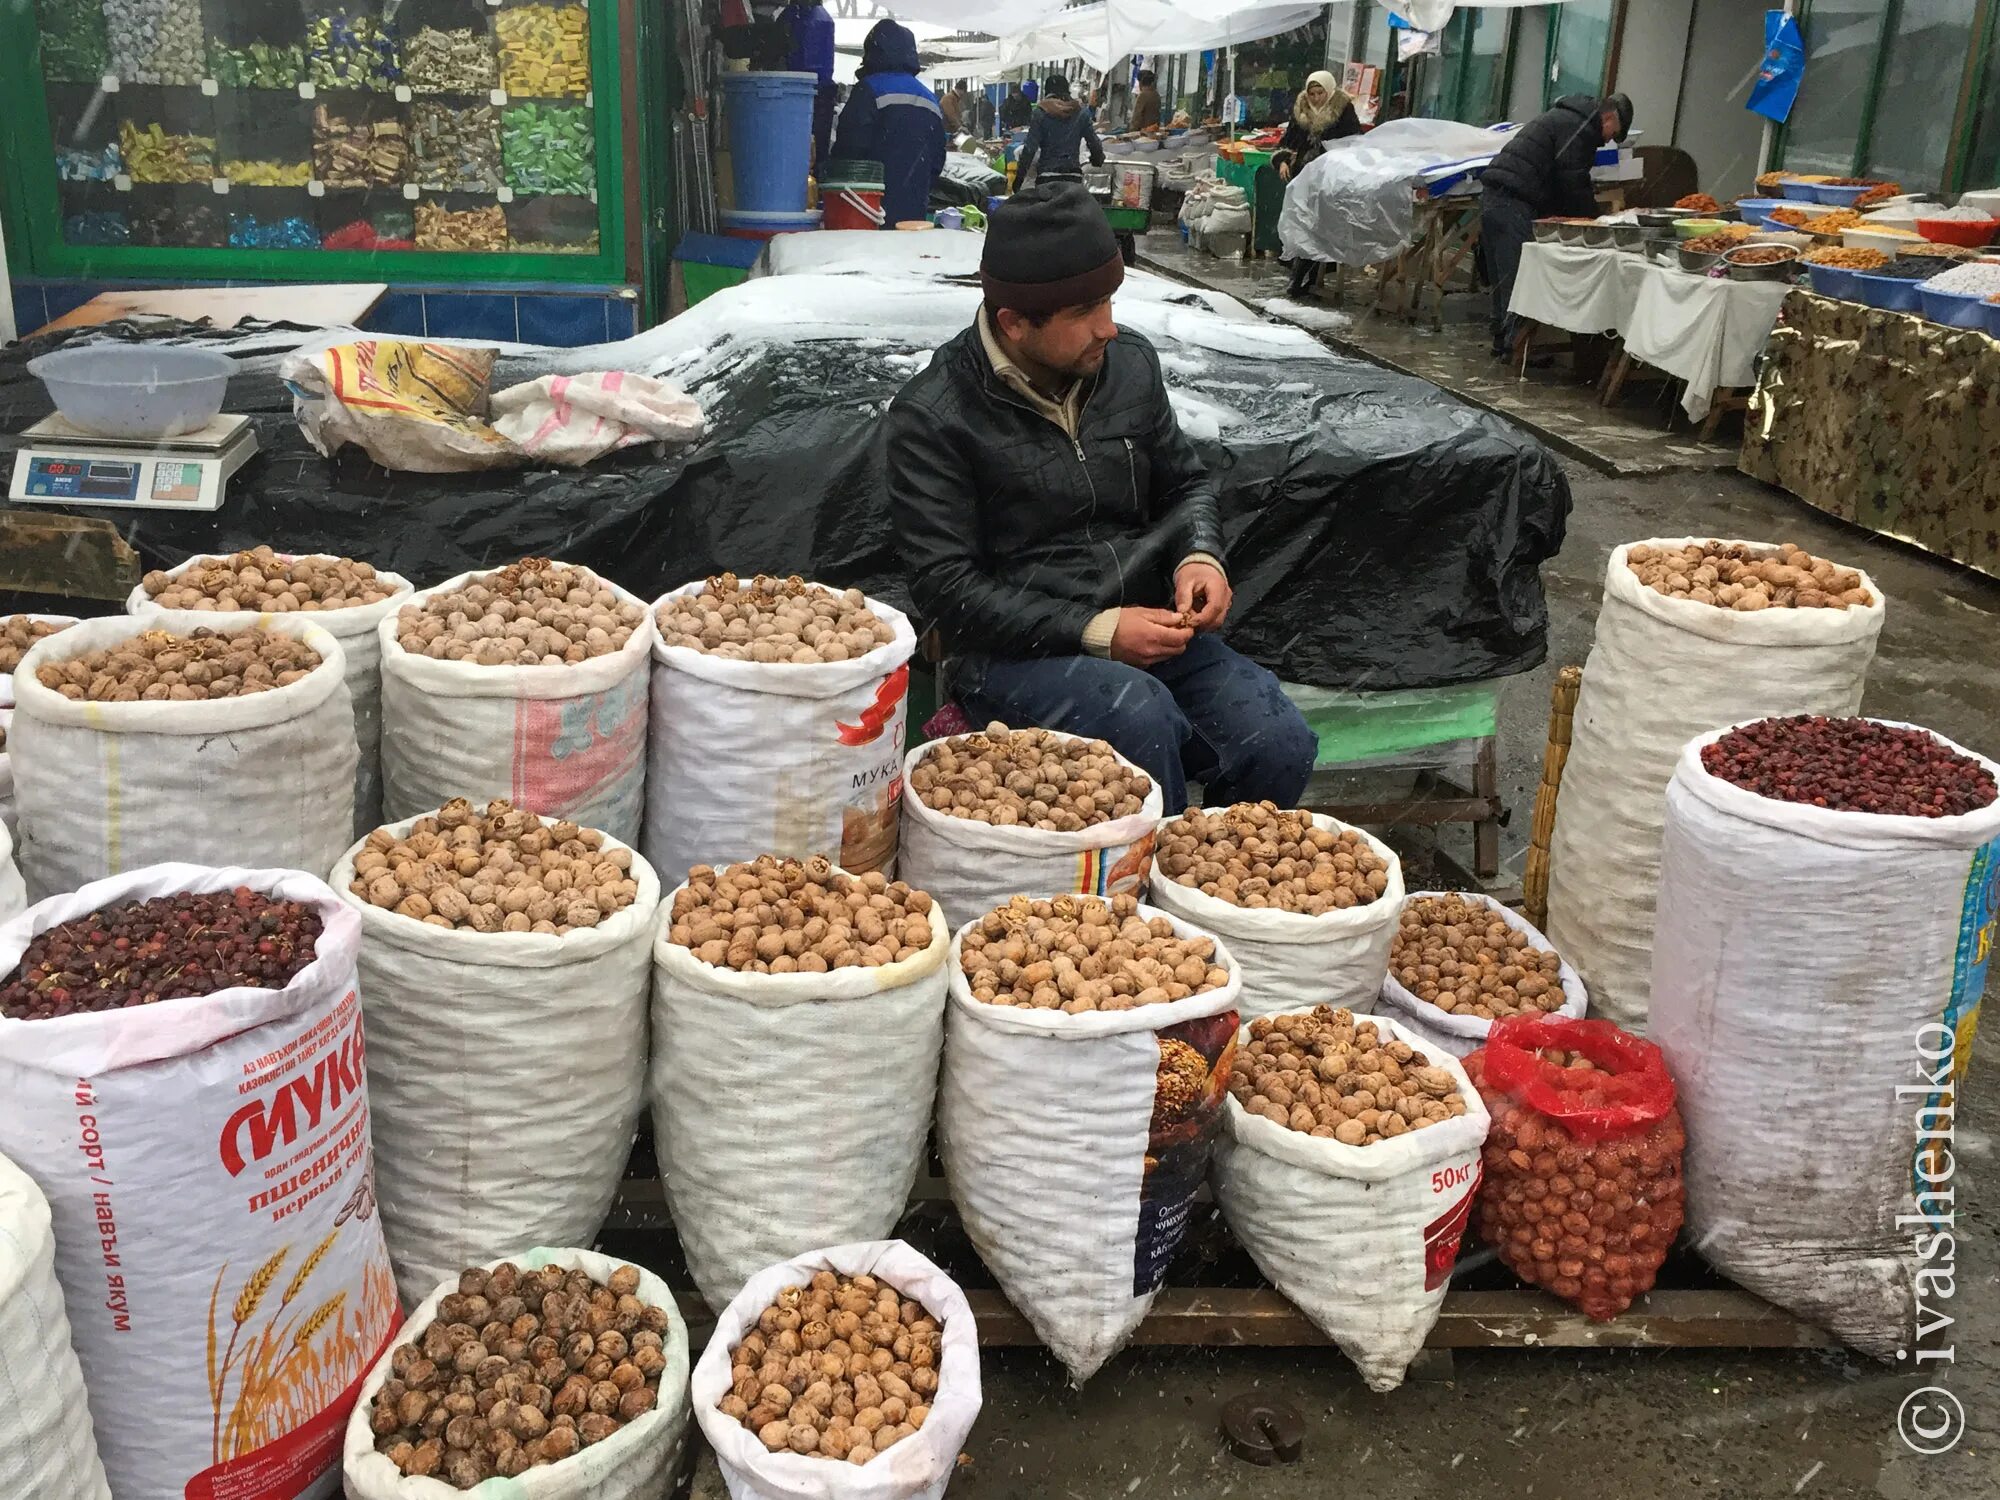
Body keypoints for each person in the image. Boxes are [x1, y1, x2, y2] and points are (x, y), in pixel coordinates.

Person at [884, 184, 1319, 812]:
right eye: (1086, 311)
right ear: (1014, 323)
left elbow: (1186, 483)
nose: (1108, 327)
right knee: (1139, 724)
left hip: (1146, 628)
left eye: (1110, 301)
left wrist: (1201, 555)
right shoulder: (934, 417)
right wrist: (1095, 630)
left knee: (1276, 740)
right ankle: (1131, 902)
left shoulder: (1129, 367)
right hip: (1011, 653)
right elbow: (946, 588)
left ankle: (1204, 887)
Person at [1480, 92, 1633, 357]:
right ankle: (1516, 347)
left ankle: (1503, 341)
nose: (1608, 140)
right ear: (1607, 117)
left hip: (1495, 194)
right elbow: (1572, 181)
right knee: (1518, 278)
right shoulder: (1581, 128)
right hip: (1513, 201)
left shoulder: (1565, 117)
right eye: (1613, 133)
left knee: (1502, 274)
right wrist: (1594, 224)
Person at [830, 20, 947, 228]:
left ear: (872, 53)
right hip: (914, 215)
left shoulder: (869, 90)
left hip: (867, 210)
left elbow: (848, 152)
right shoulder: (930, 99)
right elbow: (937, 161)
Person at [1273, 69, 1365, 299]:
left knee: (1320, 226)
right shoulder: (1301, 108)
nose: (1315, 98)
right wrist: (1283, 160)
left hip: (1329, 176)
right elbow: (1289, 140)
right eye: (1312, 93)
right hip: (1303, 174)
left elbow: (1354, 140)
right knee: (1301, 222)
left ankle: (1309, 275)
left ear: (1329, 90)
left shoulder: (1342, 109)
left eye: (1319, 93)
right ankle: (1299, 274)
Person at [1014, 74, 1104, 187]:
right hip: (1073, 178)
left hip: (1047, 178)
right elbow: (1094, 143)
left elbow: (1030, 148)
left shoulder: (1040, 113)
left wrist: (1019, 178)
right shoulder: (1082, 113)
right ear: (1067, 90)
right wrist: (1097, 159)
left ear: (1047, 92)